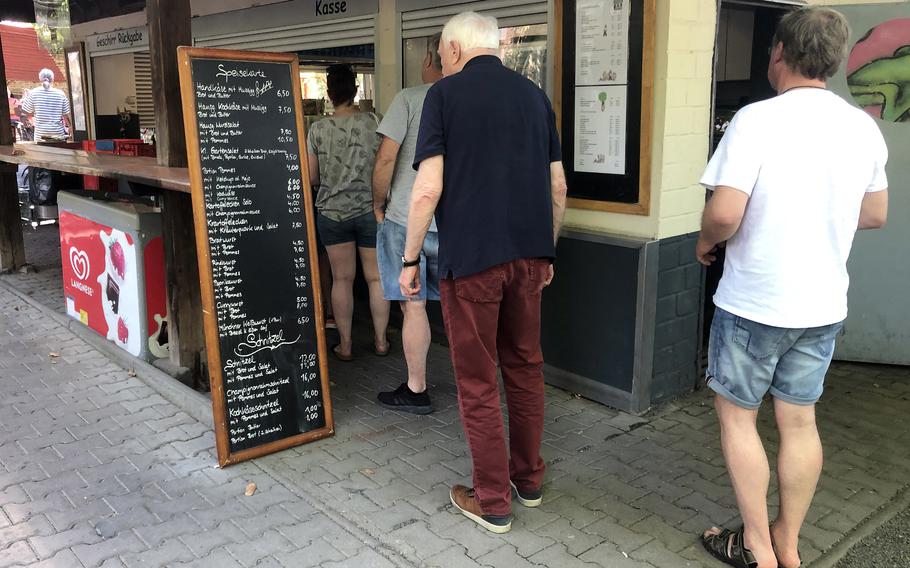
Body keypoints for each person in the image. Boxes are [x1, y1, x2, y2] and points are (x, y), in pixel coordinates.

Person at [697, 7, 888, 568]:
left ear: (778, 52)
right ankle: (789, 541)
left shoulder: (757, 119)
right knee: (799, 421)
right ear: (834, 59)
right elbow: (874, 213)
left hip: (756, 303)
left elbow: (726, 211)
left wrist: (705, 241)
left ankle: (756, 544)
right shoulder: (862, 127)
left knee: (738, 416)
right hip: (822, 304)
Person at [399, 12, 567, 533]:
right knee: (524, 367)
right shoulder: (535, 97)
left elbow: (427, 188)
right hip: (530, 258)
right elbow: (558, 187)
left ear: (451, 49)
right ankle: (529, 480)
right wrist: (548, 253)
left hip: (471, 261)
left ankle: (492, 500)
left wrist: (408, 260)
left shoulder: (443, 97)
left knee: (477, 380)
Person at [372, 33, 444, 415]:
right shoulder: (469, 103)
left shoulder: (409, 99)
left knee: (412, 306)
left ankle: (417, 388)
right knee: (460, 307)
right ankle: (476, 387)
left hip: (405, 219)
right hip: (454, 224)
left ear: (431, 58)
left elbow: (386, 160)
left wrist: (377, 203)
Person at [307, 64, 389, 361]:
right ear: (355, 90)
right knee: (376, 278)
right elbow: (384, 164)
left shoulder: (317, 129)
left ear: (329, 93)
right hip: (370, 210)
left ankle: (345, 345)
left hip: (332, 212)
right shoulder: (374, 121)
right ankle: (381, 342)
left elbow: (313, 177)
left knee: (341, 279)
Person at [20, 69, 70, 140]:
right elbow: (66, 115)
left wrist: (35, 114)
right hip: (57, 133)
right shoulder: (60, 94)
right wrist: (70, 128)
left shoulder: (33, 93)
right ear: (52, 79)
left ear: (40, 79)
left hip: (40, 134)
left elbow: (25, 112)